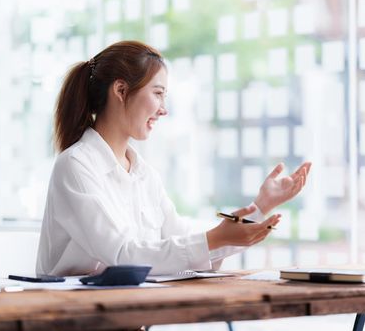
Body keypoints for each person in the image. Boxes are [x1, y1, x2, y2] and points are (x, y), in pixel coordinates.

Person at [36, 41, 311, 276]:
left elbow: (181, 243)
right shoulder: (75, 166)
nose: (163, 110)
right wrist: (214, 238)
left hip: (128, 314)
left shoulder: (144, 175)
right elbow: (122, 255)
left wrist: (261, 206)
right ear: (120, 91)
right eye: (158, 94)